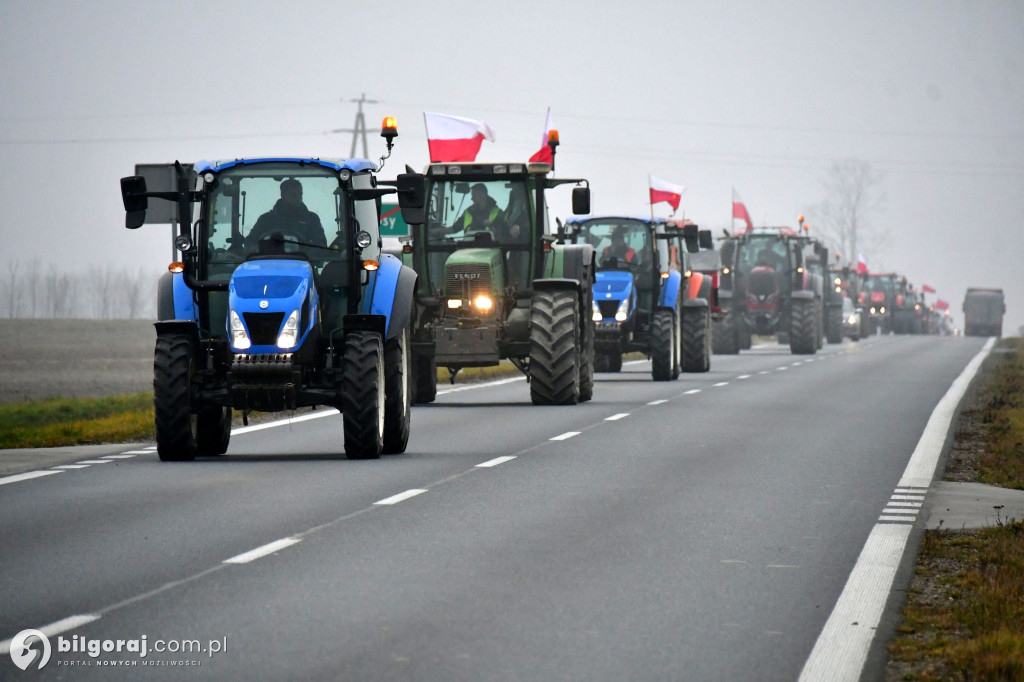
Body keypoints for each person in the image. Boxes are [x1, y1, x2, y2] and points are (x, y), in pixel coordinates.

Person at [247, 178, 326, 249]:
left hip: (302, 262)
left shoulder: (311, 219)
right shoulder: (265, 219)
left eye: (300, 194)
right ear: (283, 195)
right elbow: (250, 243)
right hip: (270, 262)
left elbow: (321, 246)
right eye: (293, 195)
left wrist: (304, 248)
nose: (298, 198)